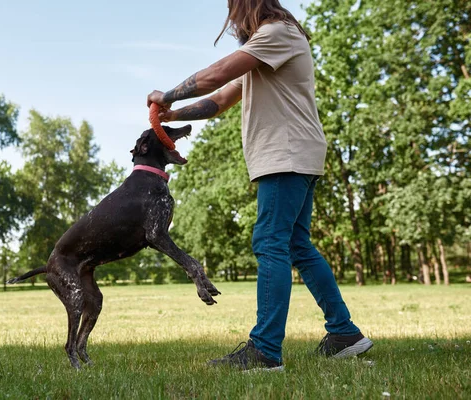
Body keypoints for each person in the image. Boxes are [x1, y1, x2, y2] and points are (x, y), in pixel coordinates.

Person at [147, 0, 373, 371]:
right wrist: (175, 113)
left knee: (269, 242)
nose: (232, 21)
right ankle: (345, 333)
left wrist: (166, 94)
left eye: (234, 12)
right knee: (297, 245)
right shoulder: (264, 50)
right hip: (296, 154)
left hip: (285, 154)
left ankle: (265, 350)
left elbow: (217, 73)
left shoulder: (276, 34)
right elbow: (220, 99)